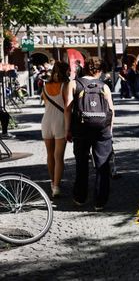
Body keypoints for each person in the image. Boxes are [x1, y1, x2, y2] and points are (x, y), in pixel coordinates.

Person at [65, 57, 115, 211]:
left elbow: (67, 109)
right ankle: (100, 202)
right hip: (102, 128)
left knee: (81, 164)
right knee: (102, 166)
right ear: (99, 71)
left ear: (86, 68)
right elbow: (111, 111)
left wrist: (68, 129)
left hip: (80, 128)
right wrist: (110, 131)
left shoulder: (74, 84)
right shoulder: (104, 86)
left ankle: (80, 198)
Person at [41, 61, 70, 197]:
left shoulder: (45, 86)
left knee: (50, 155)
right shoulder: (65, 85)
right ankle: (56, 187)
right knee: (59, 156)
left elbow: (45, 102)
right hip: (60, 121)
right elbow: (68, 108)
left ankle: (53, 182)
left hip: (46, 121)